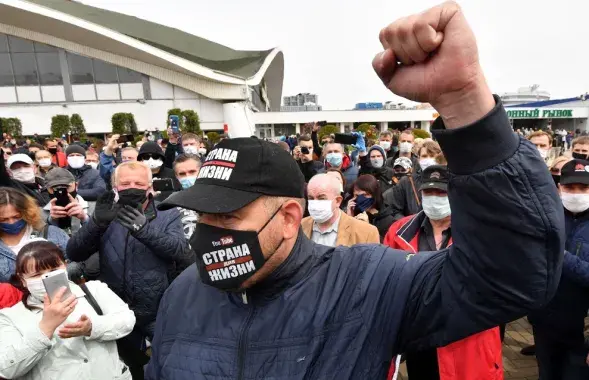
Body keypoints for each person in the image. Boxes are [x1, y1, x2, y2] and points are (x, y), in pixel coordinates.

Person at [146, 3, 562, 378]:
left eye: (226, 217)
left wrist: (465, 99)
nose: (206, 232)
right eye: (201, 216)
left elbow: (511, 277)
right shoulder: (183, 293)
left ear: (290, 218)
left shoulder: (368, 284)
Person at [383, 165, 503, 379]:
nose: (434, 198)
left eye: (441, 192)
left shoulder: (481, 232)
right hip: (419, 337)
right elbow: (388, 280)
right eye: (428, 192)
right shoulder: (399, 231)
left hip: (466, 339)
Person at [66, 161, 192, 345]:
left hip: (156, 311)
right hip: (115, 309)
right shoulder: (105, 212)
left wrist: (144, 230)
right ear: (115, 186)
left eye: (139, 184)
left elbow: (180, 251)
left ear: (149, 186)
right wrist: (96, 223)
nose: (132, 188)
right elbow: (75, 253)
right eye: (125, 184)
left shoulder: (167, 212)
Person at [0, 240, 135, 380]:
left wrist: (91, 328)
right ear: (22, 280)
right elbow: (6, 368)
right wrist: (45, 328)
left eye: (54, 270)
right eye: (36, 275)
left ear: (65, 265)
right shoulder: (10, 316)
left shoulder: (94, 290)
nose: (47, 278)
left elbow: (127, 320)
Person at [528, 159, 589, 380]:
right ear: (559, 187)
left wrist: (562, 258)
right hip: (544, 320)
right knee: (547, 373)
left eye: (583, 188)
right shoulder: (545, 219)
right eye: (570, 187)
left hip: (580, 328)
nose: (576, 193)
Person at [0, 187, 69, 283]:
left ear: (26, 213)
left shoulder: (51, 233)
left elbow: (76, 263)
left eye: (16, 217)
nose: (11, 222)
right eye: (3, 219)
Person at [302, 173, 379, 247]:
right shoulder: (299, 226)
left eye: (322, 198)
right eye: (311, 198)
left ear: (338, 201)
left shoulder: (367, 233)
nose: (315, 203)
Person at [384, 141, 442, 221]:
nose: (428, 160)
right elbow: (394, 210)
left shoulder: (451, 181)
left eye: (432, 156)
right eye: (424, 156)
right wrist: (409, 225)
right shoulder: (406, 182)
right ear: (418, 159)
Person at [347, 174, 395, 240]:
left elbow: (384, 247)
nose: (360, 199)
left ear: (375, 195)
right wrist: (349, 219)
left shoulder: (388, 221)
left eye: (365, 195)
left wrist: (368, 229)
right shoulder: (353, 214)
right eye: (357, 195)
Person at [173, 154, 201, 239]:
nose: (187, 176)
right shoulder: (172, 202)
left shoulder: (217, 197)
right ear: (176, 176)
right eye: (182, 174)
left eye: (192, 172)